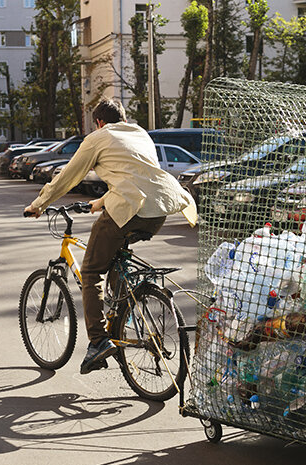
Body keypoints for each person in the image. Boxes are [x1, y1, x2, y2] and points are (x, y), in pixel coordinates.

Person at [24, 98, 197, 374]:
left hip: (131, 208)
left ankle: (98, 341)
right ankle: (120, 316)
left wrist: (39, 203)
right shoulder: (140, 134)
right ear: (124, 119)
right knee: (116, 255)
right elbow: (136, 176)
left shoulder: (97, 137)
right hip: (162, 208)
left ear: (100, 123)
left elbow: (68, 175)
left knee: (92, 271)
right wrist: (100, 202)